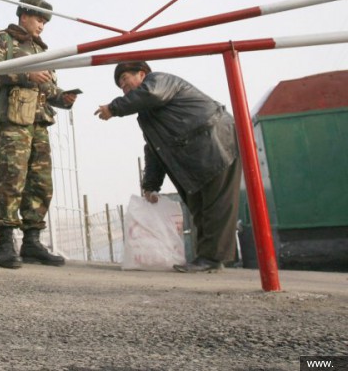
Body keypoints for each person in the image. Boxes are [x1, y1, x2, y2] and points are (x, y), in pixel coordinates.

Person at [0, 0, 77, 271]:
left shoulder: (40, 49)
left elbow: (46, 89)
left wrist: (61, 98)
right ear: (24, 16)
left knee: (41, 183)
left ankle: (32, 242)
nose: (42, 26)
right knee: (13, 179)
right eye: (39, 19)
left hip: (39, 124)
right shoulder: (4, 39)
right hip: (14, 123)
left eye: (45, 22)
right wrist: (27, 75)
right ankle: (6, 243)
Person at [94, 62, 242, 273]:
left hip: (215, 142)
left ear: (142, 74)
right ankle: (207, 259)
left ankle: (211, 259)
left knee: (217, 205)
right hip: (193, 157)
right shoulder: (146, 117)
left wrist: (114, 108)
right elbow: (155, 149)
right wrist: (151, 185)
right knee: (199, 207)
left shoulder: (159, 81)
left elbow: (151, 94)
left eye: (125, 78)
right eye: (120, 85)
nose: (123, 86)